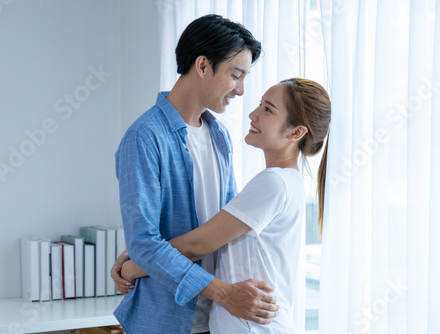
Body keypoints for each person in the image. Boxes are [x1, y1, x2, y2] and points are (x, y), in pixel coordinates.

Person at [116, 78, 331, 333]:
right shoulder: (285, 182)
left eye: (268, 110)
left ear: (296, 133)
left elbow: (198, 245)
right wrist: (136, 256)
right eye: (260, 104)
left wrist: (134, 265)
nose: (253, 114)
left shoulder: (273, 183)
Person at [113, 14, 278, 334]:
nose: (241, 90)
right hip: (165, 321)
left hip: (217, 320)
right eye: (236, 75)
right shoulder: (144, 137)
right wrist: (225, 293)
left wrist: (133, 261)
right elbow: (146, 245)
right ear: (203, 66)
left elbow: (223, 227)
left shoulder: (220, 137)